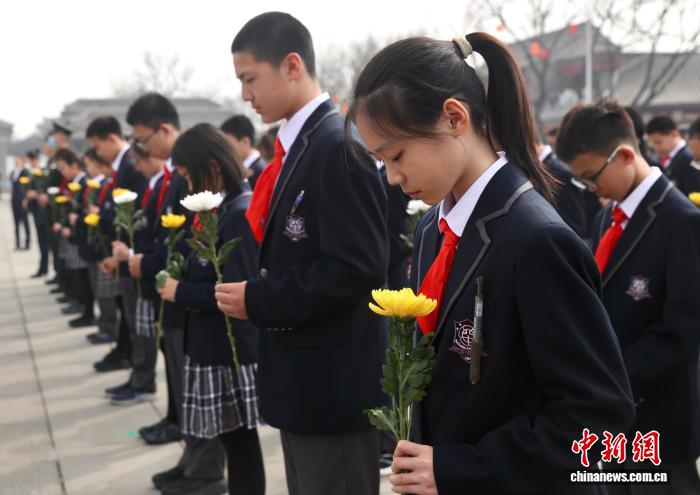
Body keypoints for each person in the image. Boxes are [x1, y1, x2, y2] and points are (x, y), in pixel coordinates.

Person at [346, 33, 635, 494]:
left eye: (397, 155)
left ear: (454, 117)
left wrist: (459, 468)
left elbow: (598, 415)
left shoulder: (537, 241)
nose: (393, 177)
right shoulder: (431, 231)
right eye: (381, 161)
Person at [215, 12, 388, 495]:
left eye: (250, 78)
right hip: (306, 384)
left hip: (331, 387)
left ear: (292, 66)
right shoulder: (304, 145)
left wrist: (260, 298)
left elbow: (357, 267)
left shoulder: (336, 146)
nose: (245, 95)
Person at [557, 100, 700, 495]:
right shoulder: (607, 217)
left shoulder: (682, 222)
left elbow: (684, 330)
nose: (591, 189)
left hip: (659, 417)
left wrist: (614, 376)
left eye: (591, 177)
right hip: (611, 416)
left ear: (623, 155)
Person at [125, 93, 226, 494]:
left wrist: (152, 265)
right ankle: (192, 458)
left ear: (164, 129)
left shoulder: (192, 179)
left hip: (190, 294)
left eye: (144, 139)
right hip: (176, 293)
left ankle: (205, 467)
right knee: (184, 387)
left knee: (196, 390)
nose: (142, 148)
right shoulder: (172, 176)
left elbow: (185, 240)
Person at [158, 123, 265, 495]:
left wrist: (180, 291)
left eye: (190, 176)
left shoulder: (238, 213)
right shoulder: (223, 209)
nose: (188, 187)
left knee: (241, 442)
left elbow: (235, 292)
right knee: (234, 441)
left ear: (214, 168)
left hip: (227, 350)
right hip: (213, 346)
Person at [87, 116, 148, 373]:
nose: (99, 154)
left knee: (135, 317)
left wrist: (126, 252)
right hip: (122, 252)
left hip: (130, 254)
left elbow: (138, 216)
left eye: (98, 147)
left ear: (111, 138)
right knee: (127, 312)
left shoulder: (130, 166)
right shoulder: (122, 165)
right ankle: (128, 357)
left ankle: (137, 368)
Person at [646, 115, 700, 195]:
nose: (656, 148)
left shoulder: (689, 158)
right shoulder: (661, 159)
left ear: (674, 134)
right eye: (653, 144)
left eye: (658, 142)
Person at [220, 115, 265, 188]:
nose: (225, 150)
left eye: (228, 145)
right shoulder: (253, 168)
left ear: (245, 142)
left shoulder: (261, 173)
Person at [25, 149, 49, 276]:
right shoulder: (33, 173)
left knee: (45, 242)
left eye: (32, 160)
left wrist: (36, 194)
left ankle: (44, 268)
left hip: (43, 212)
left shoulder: (44, 172)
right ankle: (43, 268)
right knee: (41, 241)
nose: (31, 163)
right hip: (36, 211)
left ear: (37, 159)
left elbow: (46, 190)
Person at [10, 154, 31, 250]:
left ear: (22, 161)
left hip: (22, 201)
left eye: (18, 160)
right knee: (16, 223)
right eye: (15, 160)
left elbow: (27, 187)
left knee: (25, 222)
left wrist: (26, 199)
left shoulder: (25, 172)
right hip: (14, 200)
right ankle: (18, 243)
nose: (16, 162)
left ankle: (27, 243)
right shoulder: (13, 172)